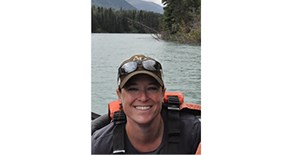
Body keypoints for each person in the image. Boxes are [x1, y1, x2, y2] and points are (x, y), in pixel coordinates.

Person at [92, 54, 201, 154]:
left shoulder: (194, 133)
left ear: (162, 93)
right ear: (119, 95)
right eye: (133, 89)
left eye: (152, 88)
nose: (143, 97)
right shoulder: (100, 146)